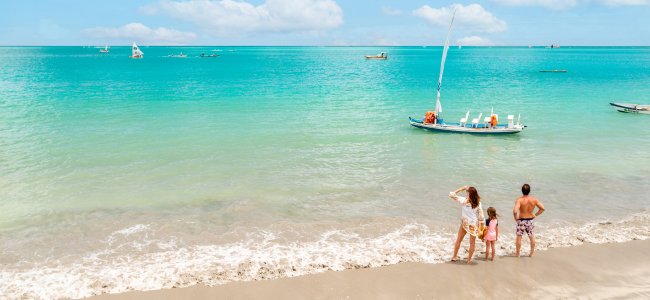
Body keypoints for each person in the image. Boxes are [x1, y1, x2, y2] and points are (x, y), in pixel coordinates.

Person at [448, 185, 485, 263]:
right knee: (472, 243)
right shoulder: (478, 203)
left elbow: (451, 194)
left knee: (458, 240)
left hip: (465, 224)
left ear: (469, 194)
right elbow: (481, 217)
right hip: (473, 225)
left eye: (467, 193)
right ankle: (469, 260)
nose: (466, 194)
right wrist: (482, 231)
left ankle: (454, 256)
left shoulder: (464, 201)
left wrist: (461, 188)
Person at [513, 183, 545, 257]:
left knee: (519, 237)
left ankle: (517, 254)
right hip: (530, 220)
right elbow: (542, 208)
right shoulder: (534, 200)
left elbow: (515, 211)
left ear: (522, 191)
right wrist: (535, 215)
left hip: (521, 220)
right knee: (531, 237)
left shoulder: (519, 200)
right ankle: (531, 253)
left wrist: (515, 218)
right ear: (529, 191)